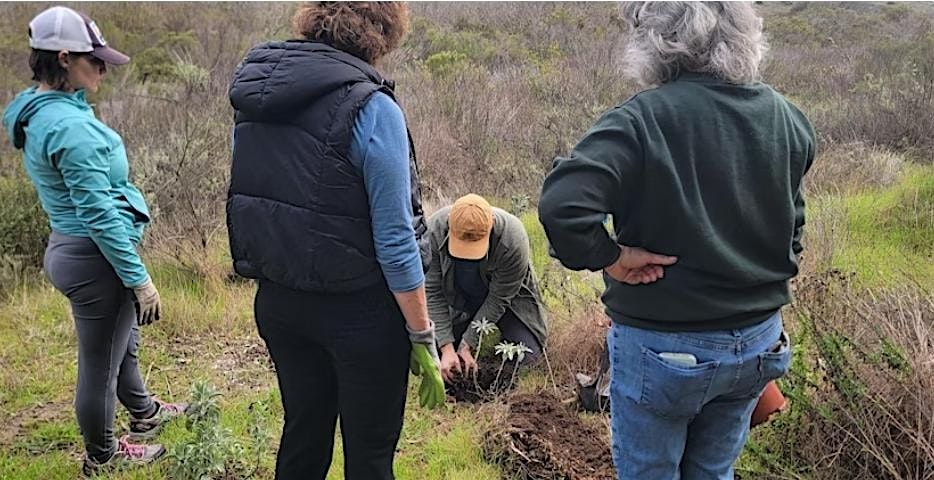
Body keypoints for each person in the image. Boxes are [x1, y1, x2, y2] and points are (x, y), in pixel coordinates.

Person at [538, 2, 814, 479]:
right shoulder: (787, 118)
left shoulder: (642, 120)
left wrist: (612, 258)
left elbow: (564, 207)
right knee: (713, 473)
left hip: (665, 351)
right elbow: (795, 227)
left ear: (659, 40)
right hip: (760, 345)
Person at [227, 3, 444, 479]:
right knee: (368, 456)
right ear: (384, 31)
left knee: (303, 436)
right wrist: (422, 334)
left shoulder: (256, 95)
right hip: (360, 314)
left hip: (279, 303)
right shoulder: (371, 105)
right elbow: (395, 236)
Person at [2, 6, 188, 477]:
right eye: (95, 60)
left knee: (119, 344)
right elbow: (99, 214)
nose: (104, 69)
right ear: (64, 58)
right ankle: (101, 457)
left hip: (73, 248)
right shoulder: (70, 128)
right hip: (95, 256)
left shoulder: (43, 110)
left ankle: (144, 412)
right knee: (99, 365)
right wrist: (139, 279)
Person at [425, 194, 547, 381]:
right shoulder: (433, 231)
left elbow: (499, 298)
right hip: (457, 297)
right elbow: (432, 292)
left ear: (492, 225)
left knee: (527, 359)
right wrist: (447, 347)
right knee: (436, 354)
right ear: (449, 223)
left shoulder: (513, 239)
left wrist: (468, 344)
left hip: (509, 301)